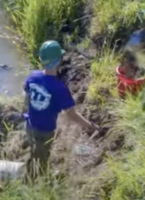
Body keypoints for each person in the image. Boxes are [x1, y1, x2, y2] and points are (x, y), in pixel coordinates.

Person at [24, 40, 98, 179]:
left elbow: (27, 97)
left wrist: (27, 114)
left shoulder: (32, 77)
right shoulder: (59, 88)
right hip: (45, 131)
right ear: (58, 61)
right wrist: (90, 126)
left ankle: (33, 169)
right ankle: (36, 180)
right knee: (41, 157)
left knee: (35, 150)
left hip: (29, 125)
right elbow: (72, 114)